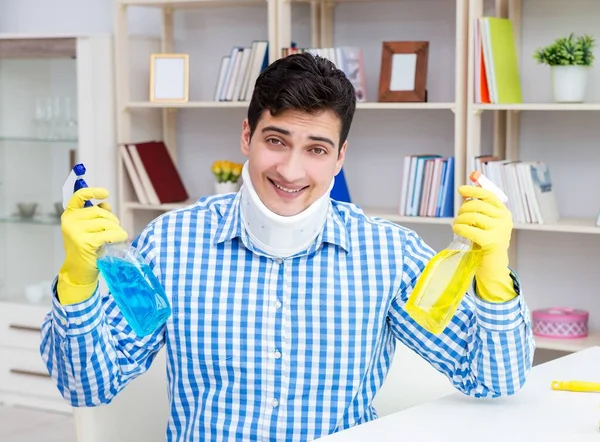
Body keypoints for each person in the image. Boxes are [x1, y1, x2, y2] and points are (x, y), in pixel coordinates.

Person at [40, 52, 535, 441]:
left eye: (317, 150)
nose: (292, 170)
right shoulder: (171, 244)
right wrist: (77, 284)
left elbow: (493, 379)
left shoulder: (388, 254)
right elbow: (88, 385)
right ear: (246, 136)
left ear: (340, 158)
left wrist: (493, 275)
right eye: (276, 141)